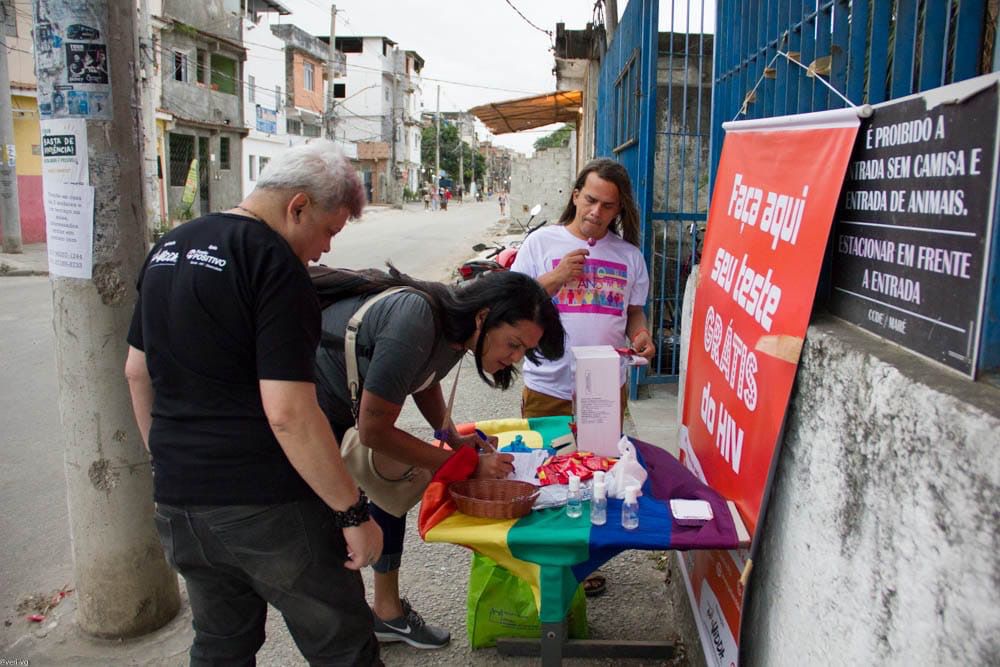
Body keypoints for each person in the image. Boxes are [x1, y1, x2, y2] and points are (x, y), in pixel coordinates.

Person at [125, 140, 384, 666]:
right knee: (342, 646)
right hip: (265, 509)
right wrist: (353, 511)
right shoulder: (275, 264)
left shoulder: (170, 246)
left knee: (221, 645)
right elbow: (288, 413)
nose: (325, 250)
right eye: (329, 231)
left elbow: (136, 372)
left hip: (180, 505)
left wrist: (174, 462)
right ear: (297, 207)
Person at [310, 265, 566, 650]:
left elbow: (423, 378)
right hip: (307, 417)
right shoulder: (417, 319)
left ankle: (386, 612)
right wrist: (465, 464)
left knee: (389, 491)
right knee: (328, 538)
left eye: (524, 352)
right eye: (513, 344)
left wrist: (453, 438)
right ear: (484, 318)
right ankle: (347, 637)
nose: (514, 358)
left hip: (334, 415)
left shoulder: (453, 326)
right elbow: (374, 431)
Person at [510, 159, 655, 596]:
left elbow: (633, 314)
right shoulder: (541, 242)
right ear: (575, 194)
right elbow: (512, 307)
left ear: (618, 210)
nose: (596, 211)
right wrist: (555, 278)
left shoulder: (628, 256)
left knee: (598, 473)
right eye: (590, 199)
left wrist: (642, 335)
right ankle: (544, 557)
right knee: (545, 471)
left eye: (608, 206)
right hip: (548, 383)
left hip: (605, 389)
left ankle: (583, 557)